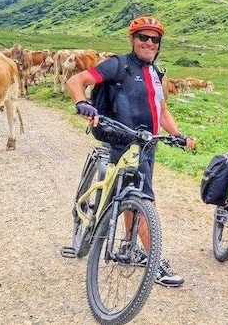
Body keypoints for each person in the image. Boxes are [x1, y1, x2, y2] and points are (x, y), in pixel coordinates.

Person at [66, 15, 195, 288]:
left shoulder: (157, 74)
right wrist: (81, 104)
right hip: (120, 138)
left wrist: (179, 135)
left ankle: (128, 245)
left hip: (147, 143)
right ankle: (154, 258)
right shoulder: (117, 65)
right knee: (143, 198)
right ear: (133, 39)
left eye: (154, 39)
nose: (149, 43)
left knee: (133, 196)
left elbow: (162, 110)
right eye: (143, 37)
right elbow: (75, 81)